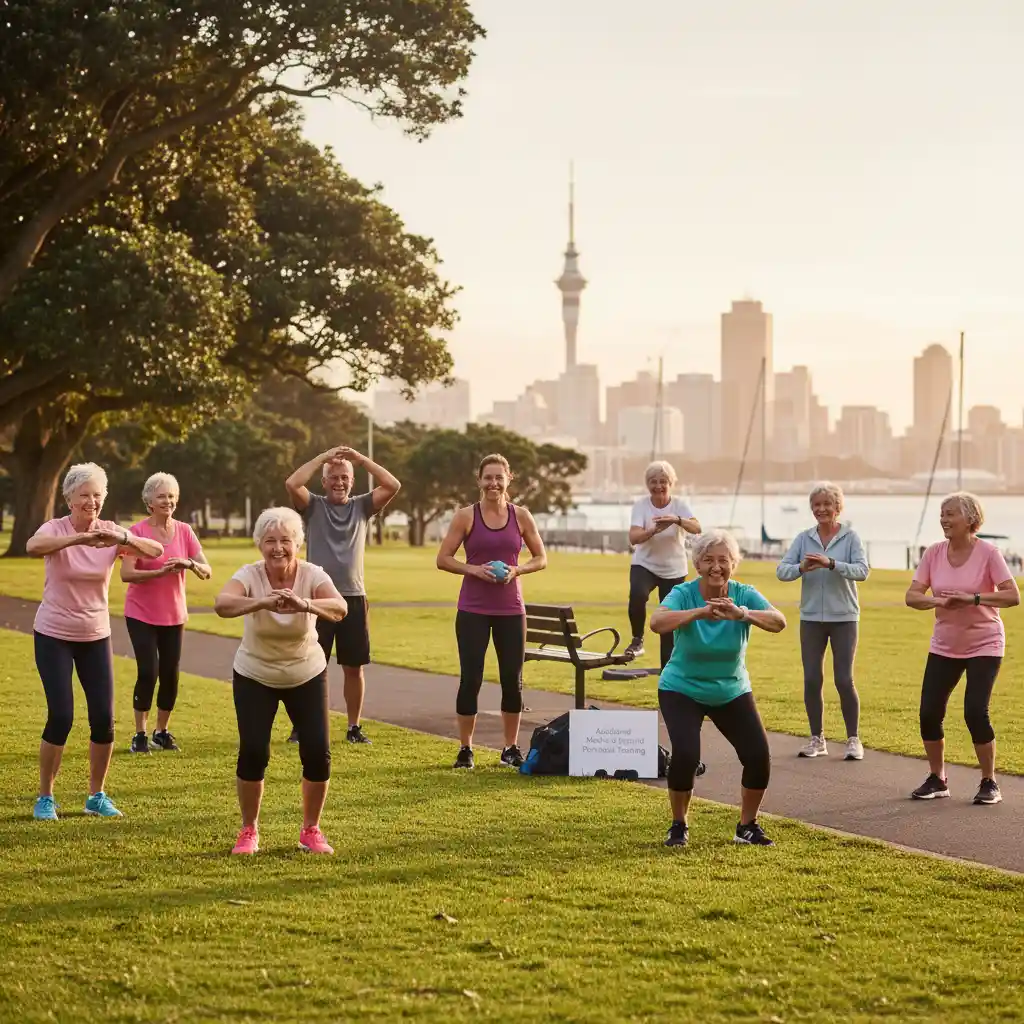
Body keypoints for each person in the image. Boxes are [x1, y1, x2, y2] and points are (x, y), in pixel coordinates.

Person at [26, 462, 164, 821]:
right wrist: (79, 539)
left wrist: (120, 539)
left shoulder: (111, 531)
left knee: (103, 719)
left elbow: (155, 551)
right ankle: (45, 797)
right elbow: (33, 546)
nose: (91, 502)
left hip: (95, 635)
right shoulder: (56, 529)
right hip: (54, 634)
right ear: (69, 498)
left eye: (97, 496)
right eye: (84, 495)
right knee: (61, 716)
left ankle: (96, 795)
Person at [214, 507, 348, 855]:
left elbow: (340, 607)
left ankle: (311, 830)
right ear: (259, 544)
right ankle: (249, 830)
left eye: (285, 541)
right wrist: (261, 601)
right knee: (254, 751)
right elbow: (222, 603)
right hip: (255, 672)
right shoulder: (250, 575)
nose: (278, 548)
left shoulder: (311, 574)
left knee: (317, 752)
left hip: (306, 671)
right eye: (270, 541)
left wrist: (304, 604)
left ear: (297, 544)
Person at [651, 529, 787, 848]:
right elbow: (657, 622)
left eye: (723, 560)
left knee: (758, 756)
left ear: (733, 564)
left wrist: (743, 614)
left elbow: (778, 621)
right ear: (697, 564)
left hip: (731, 689)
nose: (716, 567)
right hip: (682, 687)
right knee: (685, 754)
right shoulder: (684, 593)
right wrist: (699, 612)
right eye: (708, 560)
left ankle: (747, 825)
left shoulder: (743, 593)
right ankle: (678, 824)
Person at [904, 492, 1019, 805]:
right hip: (945, 643)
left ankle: (989, 781)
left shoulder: (989, 553)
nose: (944, 519)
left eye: (950, 513)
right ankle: (937, 778)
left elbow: (1012, 596)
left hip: (985, 642)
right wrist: (937, 601)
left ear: (970, 519)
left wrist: (974, 598)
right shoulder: (933, 554)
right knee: (929, 712)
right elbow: (912, 596)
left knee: (974, 712)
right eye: (942, 513)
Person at [436, 453, 548, 769]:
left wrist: (517, 570)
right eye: (488, 477)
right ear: (479, 480)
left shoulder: (521, 516)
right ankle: (465, 749)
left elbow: (541, 558)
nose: (493, 483)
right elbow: (443, 558)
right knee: (471, 678)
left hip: (511, 610)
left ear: (508, 479)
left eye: (499, 477)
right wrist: (474, 570)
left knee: (512, 680)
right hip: (472, 609)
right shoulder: (465, 517)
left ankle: (510, 748)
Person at [284, 444, 401, 745]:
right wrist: (323, 458)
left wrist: (361, 460)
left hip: (353, 597)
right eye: (333, 477)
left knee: (353, 666)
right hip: (317, 597)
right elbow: (292, 483)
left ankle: (354, 727)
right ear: (324, 482)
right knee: (310, 664)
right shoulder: (313, 506)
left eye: (344, 477)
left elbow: (393, 485)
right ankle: (303, 725)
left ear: (352, 480)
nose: (339, 482)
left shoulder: (362, 506)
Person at [776, 482, 869, 761]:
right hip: (811, 619)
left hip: (844, 618)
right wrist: (801, 567)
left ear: (838, 508)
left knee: (843, 679)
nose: (822, 509)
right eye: (816, 505)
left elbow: (862, 571)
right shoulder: (804, 538)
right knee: (812, 679)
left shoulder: (851, 537)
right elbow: (782, 571)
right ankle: (817, 739)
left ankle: (853, 740)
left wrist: (831, 564)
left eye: (827, 504)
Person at [121, 472, 212, 754]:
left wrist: (189, 564)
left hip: (174, 614)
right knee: (148, 671)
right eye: (162, 496)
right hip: (141, 613)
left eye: (172, 496)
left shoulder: (184, 531)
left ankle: (162, 731)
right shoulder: (136, 532)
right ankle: (140, 734)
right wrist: (160, 571)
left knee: (170, 674)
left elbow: (206, 570)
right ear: (149, 501)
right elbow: (127, 574)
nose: (168, 501)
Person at [625, 461, 701, 665]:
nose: (658, 486)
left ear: (671, 483)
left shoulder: (679, 505)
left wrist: (676, 520)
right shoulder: (641, 505)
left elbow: (696, 527)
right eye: (653, 482)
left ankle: (667, 667)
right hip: (645, 564)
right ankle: (637, 639)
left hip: (673, 568)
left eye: (662, 481)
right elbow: (633, 537)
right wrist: (653, 530)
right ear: (647, 484)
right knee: (638, 595)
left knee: (668, 616)